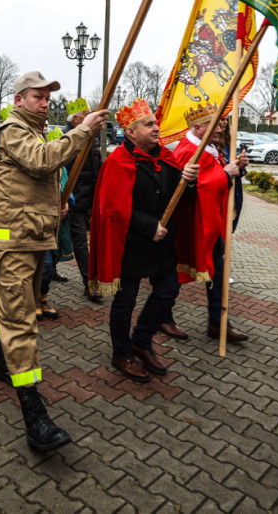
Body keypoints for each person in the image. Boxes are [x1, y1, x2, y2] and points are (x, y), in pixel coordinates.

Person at [0, 70, 109, 452]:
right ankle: (34, 416)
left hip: (33, 238)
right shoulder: (11, 131)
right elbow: (41, 162)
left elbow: (39, 178)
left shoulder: (34, 130)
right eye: (38, 96)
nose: (45, 102)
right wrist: (83, 130)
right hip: (13, 244)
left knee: (13, 312)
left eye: (47, 97)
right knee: (21, 323)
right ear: (19, 99)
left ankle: (1, 364)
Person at [89, 100, 199, 383]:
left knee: (168, 290)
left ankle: (141, 339)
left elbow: (179, 196)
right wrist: (149, 226)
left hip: (164, 244)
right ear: (130, 132)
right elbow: (112, 207)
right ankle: (122, 352)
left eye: (155, 123)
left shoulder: (166, 157)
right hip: (131, 245)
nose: (156, 128)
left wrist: (188, 180)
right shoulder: (117, 162)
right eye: (148, 124)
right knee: (125, 301)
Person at [163, 106, 250, 343]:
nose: (221, 128)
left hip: (210, 225)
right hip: (189, 226)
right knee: (175, 273)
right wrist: (225, 173)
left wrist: (237, 169)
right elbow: (195, 186)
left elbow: (220, 176)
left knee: (218, 273)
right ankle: (163, 316)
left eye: (221, 124)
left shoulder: (209, 149)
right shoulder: (187, 149)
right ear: (197, 127)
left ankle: (218, 322)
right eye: (215, 124)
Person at [63, 99, 102, 301]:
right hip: (74, 198)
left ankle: (49, 271)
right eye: (87, 114)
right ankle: (89, 283)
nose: (91, 117)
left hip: (91, 195)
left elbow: (97, 162)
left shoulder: (92, 136)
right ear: (76, 118)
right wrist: (68, 196)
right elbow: (63, 171)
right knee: (79, 241)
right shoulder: (65, 137)